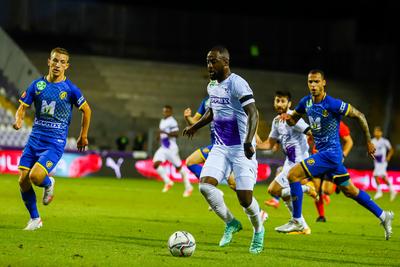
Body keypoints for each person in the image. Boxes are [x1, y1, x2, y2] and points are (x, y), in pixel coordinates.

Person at [275, 69, 394, 240]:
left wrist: (368, 141)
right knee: (350, 190)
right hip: (326, 155)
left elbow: (359, 115)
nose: (313, 85)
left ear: (324, 83)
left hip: (330, 154)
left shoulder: (333, 104)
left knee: (293, 175)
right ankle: (383, 215)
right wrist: (292, 119)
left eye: (317, 82)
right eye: (310, 82)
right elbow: (294, 118)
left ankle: (297, 221)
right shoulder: (306, 102)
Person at [183, 46, 265, 254]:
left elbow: (253, 113)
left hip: (241, 149)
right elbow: (213, 111)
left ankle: (258, 230)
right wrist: (195, 126)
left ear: (225, 62)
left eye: (213, 61)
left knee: (245, 199)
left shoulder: (238, 83)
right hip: (220, 147)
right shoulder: (212, 86)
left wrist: (248, 142)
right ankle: (231, 222)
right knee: (205, 186)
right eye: (208, 61)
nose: (209, 65)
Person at [13, 47, 92, 230]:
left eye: (62, 62)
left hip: (54, 142)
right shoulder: (37, 85)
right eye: (55, 60)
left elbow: (86, 110)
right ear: (49, 61)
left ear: (67, 66)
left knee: (35, 176)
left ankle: (49, 183)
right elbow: (22, 107)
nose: (58, 64)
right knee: (22, 179)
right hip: (35, 139)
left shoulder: (70, 89)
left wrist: (83, 136)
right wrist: (18, 120)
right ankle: (35, 219)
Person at [184, 97, 268, 220]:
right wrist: (188, 118)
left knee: (235, 184)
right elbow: (195, 122)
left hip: (227, 147)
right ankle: (258, 212)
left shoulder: (236, 102)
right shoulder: (207, 101)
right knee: (191, 162)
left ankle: (259, 212)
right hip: (217, 146)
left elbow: (251, 124)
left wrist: (257, 144)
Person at [256, 91, 318, 234]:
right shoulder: (277, 121)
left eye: (283, 101)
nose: (279, 104)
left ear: (289, 104)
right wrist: (254, 145)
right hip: (289, 162)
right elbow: (269, 144)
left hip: (299, 162)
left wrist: (315, 147)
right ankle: (302, 225)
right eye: (277, 100)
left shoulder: (293, 117)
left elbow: (310, 132)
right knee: (281, 193)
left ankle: (307, 189)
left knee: (274, 190)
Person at [313, 121, 354, 222]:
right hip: (317, 158)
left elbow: (349, 141)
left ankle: (337, 185)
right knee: (316, 190)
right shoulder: (315, 119)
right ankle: (321, 216)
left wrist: (343, 155)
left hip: (331, 159)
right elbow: (309, 137)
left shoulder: (339, 124)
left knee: (327, 191)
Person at [153, 105, 193, 197]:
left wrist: (165, 133)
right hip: (163, 147)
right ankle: (168, 182)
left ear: (171, 112)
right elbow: (161, 131)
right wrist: (159, 136)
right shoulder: (162, 121)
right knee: (156, 164)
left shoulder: (172, 121)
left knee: (179, 168)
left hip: (171, 148)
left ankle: (188, 187)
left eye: (167, 111)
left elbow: (176, 134)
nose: (165, 112)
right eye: (164, 111)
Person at [371, 126, 396, 201]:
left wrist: (388, 157)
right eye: (375, 131)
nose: (376, 133)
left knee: (375, 175)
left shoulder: (385, 141)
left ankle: (379, 191)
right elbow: (370, 151)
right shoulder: (372, 141)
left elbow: (391, 150)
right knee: (383, 177)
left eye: (378, 131)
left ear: (381, 133)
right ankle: (392, 190)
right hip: (376, 161)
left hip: (382, 161)